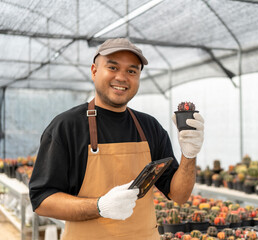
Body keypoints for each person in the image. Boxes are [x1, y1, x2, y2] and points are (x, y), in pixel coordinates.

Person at [29, 38, 205, 240]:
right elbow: (42, 201)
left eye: (132, 71)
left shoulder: (150, 127)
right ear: (94, 71)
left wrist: (189, 154)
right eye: (112, 67)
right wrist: (99, 206)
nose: (122, 77)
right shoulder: (66, 127)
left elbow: (179, 195)